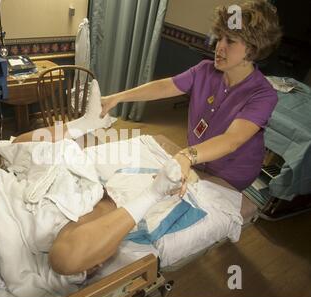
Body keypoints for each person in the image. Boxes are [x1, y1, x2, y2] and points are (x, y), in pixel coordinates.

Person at [0, 131, 182, 285]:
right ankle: (153, 193)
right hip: (69, 226)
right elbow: (11, 273)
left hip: (56, 197)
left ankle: (83, 124)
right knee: (62, 259)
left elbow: (7, 172)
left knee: (14, 146)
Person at [100, 0, 282, 194]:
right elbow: (164, 87)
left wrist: (187, 155)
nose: (219, 47)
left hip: (230, 174)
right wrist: (116, 98)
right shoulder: (205, 70)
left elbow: (232, 140)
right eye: (219, 38)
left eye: (230, 41)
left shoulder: (263, 95)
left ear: (252, 49)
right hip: (198, 159)